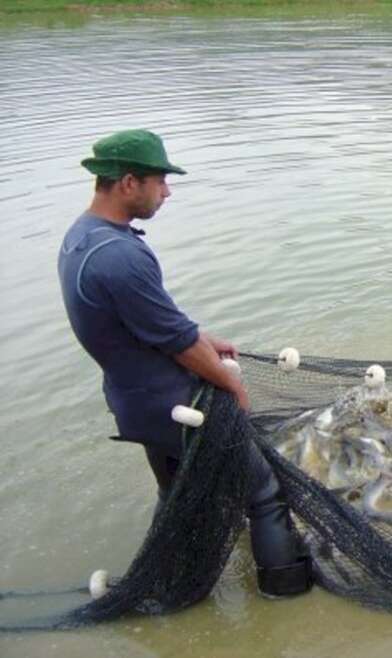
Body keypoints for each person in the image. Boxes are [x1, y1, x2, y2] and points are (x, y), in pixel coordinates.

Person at [58, 129, 311, 598]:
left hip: (139, 402)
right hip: (180, 406)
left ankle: (170, 581)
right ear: (128, 183)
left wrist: (204, 338)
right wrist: (230, 387)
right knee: (264, 494)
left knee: (178, 495)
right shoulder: (119, 257)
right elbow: (175, 340)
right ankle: (286, 593)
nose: (167, 192)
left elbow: (151, 323)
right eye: (160, 181)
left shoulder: (83, 236)